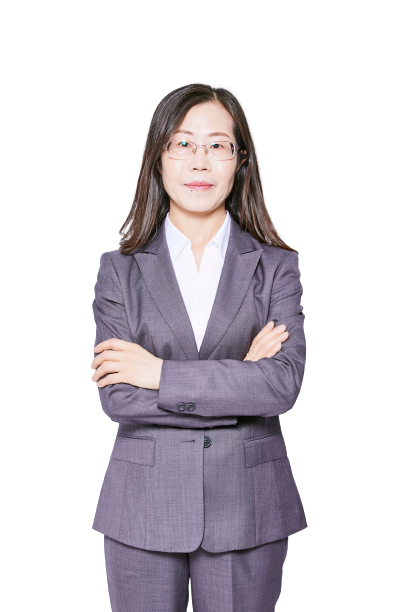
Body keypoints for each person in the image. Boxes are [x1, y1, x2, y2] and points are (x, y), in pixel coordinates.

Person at [91, 82, 307, 612]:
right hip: (142, 508)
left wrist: (158, 373)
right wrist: (240, 379)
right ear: (158, 158)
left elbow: (281, 385)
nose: (199, 160)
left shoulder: (277, 267)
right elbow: (118, 397)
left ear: (241, 161)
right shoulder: (118, 271)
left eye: (217, 145)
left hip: (249, 508)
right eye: (183, 143)